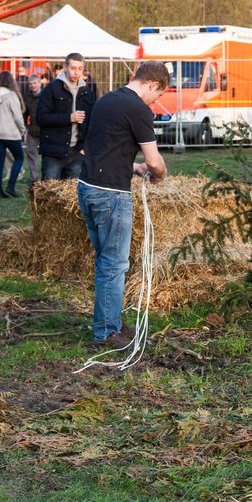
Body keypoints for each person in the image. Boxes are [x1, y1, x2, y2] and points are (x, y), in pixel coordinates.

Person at [77, 60, 170, 346]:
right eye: (159, 95)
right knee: (114, 264)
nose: (157, 101)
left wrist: (134, 168)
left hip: (87, 187)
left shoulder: (108, 100)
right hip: (111, 195)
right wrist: (158, 173)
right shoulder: (138, 109)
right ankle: (106, 332)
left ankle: (110, 321)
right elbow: (155, 161)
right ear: (153, 85)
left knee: (105, 260)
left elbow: (102, 147)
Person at [35, 52, 97, 180]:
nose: (76, 72)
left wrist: (85, 147)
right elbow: (41, 118)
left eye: (80, 69)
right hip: (53, 151)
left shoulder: (87, 92)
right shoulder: (51, 89)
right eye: (73, 68)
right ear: (65, 67)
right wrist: (69, 118)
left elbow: (92, 122)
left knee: (73, 196)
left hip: (77, 152)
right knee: (49, 194)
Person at [0, 71, 25, 198]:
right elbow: (18, 117)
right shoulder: (12, 95)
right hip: (10, 133)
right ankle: (11, 187)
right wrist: (22, 130)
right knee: (19, 158)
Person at [21, 72, 42, 186]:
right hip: (32, 128)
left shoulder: (45, 95)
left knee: (46, 155)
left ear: (39, 83)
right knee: (30, 153)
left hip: (44, 129)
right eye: (30, 84)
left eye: (34, 83)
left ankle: (47, 177)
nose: (32, 85)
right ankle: (34, 177)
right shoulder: (27, 96)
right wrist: (24, 127)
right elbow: (25, 112)